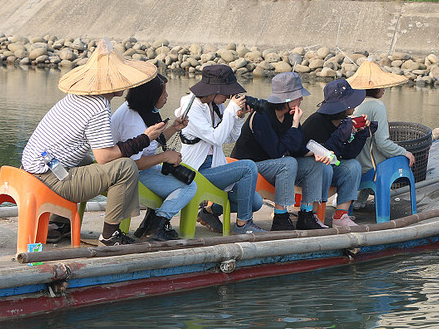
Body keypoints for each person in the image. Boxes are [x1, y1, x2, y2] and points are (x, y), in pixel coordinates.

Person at [21, 39, 163, 246]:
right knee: (125, 167)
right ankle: (110, 236)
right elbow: (105, 157)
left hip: (34, 166)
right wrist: (144, 139)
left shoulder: (77, 96)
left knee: (88, 163)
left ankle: (58, 224)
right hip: (47, 175)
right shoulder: (98, 107)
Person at [230, 72, 330, 231]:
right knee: (288, 163)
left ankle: (307, 215)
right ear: (287, 99)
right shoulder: (261, 116)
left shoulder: (289, 116)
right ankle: (281, 218)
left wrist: (314, 153)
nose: (302, 99)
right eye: (299, 96)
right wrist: (295, 125)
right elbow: (277, 152)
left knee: (314, 165)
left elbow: (297, 147)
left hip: (274, 165)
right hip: (250, 166)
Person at [176, 64, 265, 234]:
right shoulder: (191, 106)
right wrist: (231, 109)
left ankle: (208, 212)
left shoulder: (215, 105)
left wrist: (238, 117)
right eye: (226, 91)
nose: (228, 96)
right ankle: (243, 224)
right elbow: (215, 138)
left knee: (255, 202)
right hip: (196, 170)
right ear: (214, 90)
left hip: (214, 167)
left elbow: (229, 138)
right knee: (248, 167)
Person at [110, 74, 195, 241]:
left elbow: (148, 144)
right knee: (188, 188)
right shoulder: (132, 121)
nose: (167, 96)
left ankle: (149, 225)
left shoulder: (139, 109)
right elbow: (134, 163)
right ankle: (158, 226)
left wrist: (173, 128)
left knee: (186, 180)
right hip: (128, 172)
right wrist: (165, 157)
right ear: (151, 96)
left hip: (135, 168)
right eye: (163, 93)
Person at [302, 78, 372, 227]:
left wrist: (360, 133)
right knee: (325, 167)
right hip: (311, 169)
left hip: (332, 166)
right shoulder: (316, 122)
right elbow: (323, 150)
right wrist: (343, 133)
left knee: (353, 165)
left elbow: (348, 154)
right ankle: (312, 214)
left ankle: (341, 215)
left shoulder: (344, 122)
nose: (354, 106)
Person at [347, 60, 415, 173]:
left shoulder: (353, 104)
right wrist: (405, 153)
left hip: (355, 162)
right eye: (381, 86)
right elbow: (382, 143)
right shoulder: (377, 105)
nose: (384, 89)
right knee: (404, 158)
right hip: (371, 166)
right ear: (374, 88)